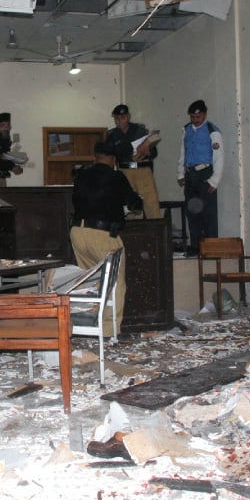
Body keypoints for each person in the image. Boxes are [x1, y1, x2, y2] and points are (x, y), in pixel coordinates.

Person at [70, 142, 143, 337]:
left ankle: (88, 328)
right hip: (102, 235)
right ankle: (110, 332)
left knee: (90, 282)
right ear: (113, 160)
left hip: (78, 232)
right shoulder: (116, 176)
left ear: (95, 156)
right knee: (115, 283)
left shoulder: (81, 175)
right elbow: (135, 203)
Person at [176, 99, 224, 256]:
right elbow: (183, 152)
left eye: (198, 117)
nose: (195, 120)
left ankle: (210, 248)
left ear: (205, 114)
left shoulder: (212, 130)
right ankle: (195, 246)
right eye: (192, 117)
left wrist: (215, 180)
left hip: (205, 174)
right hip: (191, 175)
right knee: (192, 212)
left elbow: (219, 156)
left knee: (208, 214)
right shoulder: (187, 130)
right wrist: (180, 173)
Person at [104, 104, 161, 219]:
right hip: (124, 171)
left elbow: (154, 153)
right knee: (127, 205)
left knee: (151, 203)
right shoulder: (112, 135)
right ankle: (129, 234)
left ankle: (156, 232)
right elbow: (111, 155)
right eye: (117, 118)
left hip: (142, 170)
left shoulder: (140, 130)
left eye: (123, 117)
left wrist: (146, 151)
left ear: (128, 117)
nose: (120, 121)